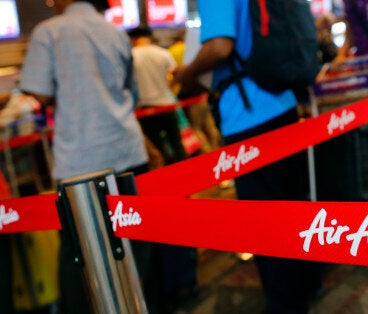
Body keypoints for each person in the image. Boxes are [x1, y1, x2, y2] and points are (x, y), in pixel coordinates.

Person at [174, 1, 321, 313]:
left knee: (266, 221)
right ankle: (307, 284)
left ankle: (287, 305)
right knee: (293, 205)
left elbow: (219, 47)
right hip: (282, 103)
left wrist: (186, 74)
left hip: (247, 116)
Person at [18, 0, 149, 312]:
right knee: (137, 247)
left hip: (80, 163)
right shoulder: (115, 32)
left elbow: (40, 93)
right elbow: (133, 91)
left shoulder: (48, 32)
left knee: (79, 254)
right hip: (127, 151)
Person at [128, 26, 188, 164]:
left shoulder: (131, 56)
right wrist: (169, 88)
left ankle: (166, 179)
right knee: (176, 142)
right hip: (166, 104)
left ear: (132, 39)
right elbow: (175, 74)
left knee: (158, 147)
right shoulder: (163, 53)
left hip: (145, 109)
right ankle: (185, 175)